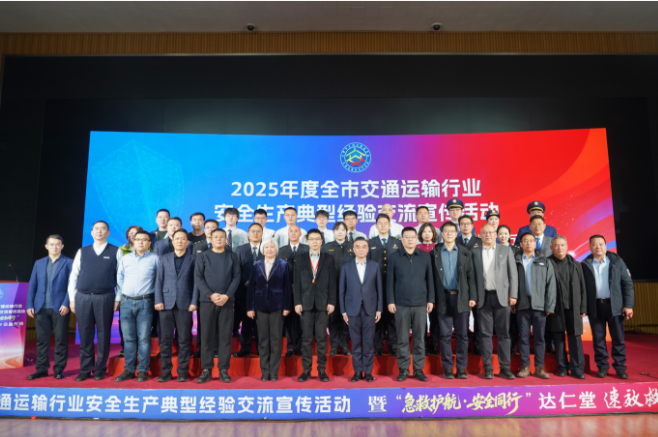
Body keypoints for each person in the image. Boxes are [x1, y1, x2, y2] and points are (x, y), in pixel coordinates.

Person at [68, 221, 121, 381]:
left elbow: (120, 277)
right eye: (96, 229)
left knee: (104, 335)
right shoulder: (82, 251)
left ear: (108, 233)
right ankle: (85, 369)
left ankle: (100, 369)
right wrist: (72, 299)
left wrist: (117, 298)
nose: (99, 231)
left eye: (103, 229)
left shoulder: (116, 251)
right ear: (92, 232)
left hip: (105, 297)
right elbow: (73, 276)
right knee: (85, 334)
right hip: (83, 297)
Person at [581, 235, 634, 379]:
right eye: (594, 244)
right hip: (595, 306)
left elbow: (627, 284)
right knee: (598, 339)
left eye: (600, 244)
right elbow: (582, 288)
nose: (598, 247)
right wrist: (583, 307)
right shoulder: (585, 264)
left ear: (605, 246)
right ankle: (602, 366)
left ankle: (620, 367)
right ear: (590, 247)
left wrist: (628, 305)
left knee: (618, 338)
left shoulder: (617, 262)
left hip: (615, 306)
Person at [387, 227, 435, 382]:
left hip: (420, 304)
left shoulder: (425, 257)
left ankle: (419, 370)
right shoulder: (394, 257)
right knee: (402, 339)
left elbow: (430, 280)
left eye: (412, 237)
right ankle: (403, 369)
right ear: (402, 240)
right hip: (401, 304)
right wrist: (390, 301)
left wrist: (430, 300)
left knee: (420, 339)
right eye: (406, 237)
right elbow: (389, 281)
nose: (409, 239)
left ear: (416, 239)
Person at [471, 224, 518, 380]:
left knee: (504, 334)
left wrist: (513, 295)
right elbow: (471, 277)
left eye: (491, 232)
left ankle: (505, 367)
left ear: (496, 234)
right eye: (484, 233)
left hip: (502, 298)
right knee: (485, 335)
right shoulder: (475, 252)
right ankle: (488, 368)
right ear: (480, 235)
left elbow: (513, 275)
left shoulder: (505, 250)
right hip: (483, 298)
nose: (488, 235)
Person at [195, 229, 240, 384]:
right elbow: (198, 277)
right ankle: (206, 369)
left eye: (221, 237)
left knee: (225, 336)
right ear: (211, 239)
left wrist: (227, 295)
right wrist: (210, 294)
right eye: (216, 237)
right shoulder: (203, 256)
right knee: (206, 336)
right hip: (207, 301)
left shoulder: (232, 256)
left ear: (226, 239)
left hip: (227, 301)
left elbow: (236, 277)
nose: (219, 239)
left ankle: (223, 369)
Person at [432, 222, 476, 379]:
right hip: (442, 298)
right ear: (442, 234)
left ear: (456, 234)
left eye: (452, 231)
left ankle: (462, 368)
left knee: (462, 335)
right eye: (446, 231)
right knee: (444, 335)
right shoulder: (435, 252)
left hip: (461, 298)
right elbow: (430, 278)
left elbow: (471, 276)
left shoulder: (465, 252)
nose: (449, 233)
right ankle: (448, 368)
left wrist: (472, 297)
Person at [114, 230, 159, 382]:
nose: (140, 242)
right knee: (128, 338)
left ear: (149, 243)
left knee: (144, 338)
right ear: (133, 241)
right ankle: (129, 369)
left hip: (146, 301)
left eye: (144, 239)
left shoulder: (155, 259)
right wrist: (124, 293)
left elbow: (158, 279)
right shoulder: (125, 258)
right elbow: (120, 278)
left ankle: (143, 370)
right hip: (126, 301)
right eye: (138, 239)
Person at [26, 235, 73, 380]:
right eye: (51, 244)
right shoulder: (39, 263)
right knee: (41, 340)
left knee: (60, 340)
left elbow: (72, 286)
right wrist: (29, 304)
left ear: (62, 246)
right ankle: (41, 369)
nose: (54, 247)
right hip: (40, 307)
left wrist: (66, 303)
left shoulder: (69, 262)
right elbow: (32, 285)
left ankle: (59, 369)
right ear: (46, 246)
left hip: (60, 308)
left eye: (57, 244)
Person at [154, 229, 198, 383]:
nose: (179, 241)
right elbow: (158, 281)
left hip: (185, 304)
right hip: (165, 303)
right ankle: (166, 371)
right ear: (172, 241)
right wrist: (158, 300)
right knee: (165, 340)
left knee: (184, 339)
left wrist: (194, 302)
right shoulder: (164, 258)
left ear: (187, 242)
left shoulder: (193, 259)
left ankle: (182, 371)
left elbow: (196, 283)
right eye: (177, 239)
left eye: (183, 239)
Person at [246, 238, 292, 382]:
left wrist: (287, 306)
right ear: (263, 249)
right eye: (266, 247)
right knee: (263, 340)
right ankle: (265, 372)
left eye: (272, 247)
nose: (269, 249)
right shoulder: (256, 265)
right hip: (260, 306)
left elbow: (287, 287)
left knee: (276, 340)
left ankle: (274, 372)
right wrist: (250, 307)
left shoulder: (283, 265)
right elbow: (251, 288)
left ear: (276, 249)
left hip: (277, 306)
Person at [294, 229, 336, 383]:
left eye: (317, 239)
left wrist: (331, 302)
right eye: (311, 239)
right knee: (306, 338)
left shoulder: (328, 259)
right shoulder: (300, 259)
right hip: (305, 304)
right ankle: (306, 370)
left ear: (321, 241)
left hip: (323, 303)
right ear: (307, 241)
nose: (314, 241)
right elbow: (296, 282)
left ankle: (321, 370)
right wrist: (297, 302)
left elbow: (332, 282)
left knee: (321, 338)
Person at [513, 232, 556, 379]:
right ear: (520, 244)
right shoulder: (515, 260)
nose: (529, 243)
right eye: (525, 241)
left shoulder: (545, 261)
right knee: (523, 337)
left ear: (535, 243)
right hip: (522, 304)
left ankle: (539, 367)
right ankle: (525, 366)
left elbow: (551, 285)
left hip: (540, 305)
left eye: (531, 240)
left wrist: (550, 306)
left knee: (539, 338)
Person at [340, 237, 382, 382]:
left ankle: (368, 372)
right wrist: (343, 311)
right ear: (353, 249)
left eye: (364, 246)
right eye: (358, 246)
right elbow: (342, 291)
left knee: (369, 342)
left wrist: (379, 309)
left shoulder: (375, 266)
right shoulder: (346, 267)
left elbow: (379, 289)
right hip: (352, 310)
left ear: (368, 249)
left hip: (370, 309)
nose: (361, 249)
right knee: (356, 342)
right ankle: (357, 371)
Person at [547, 236, 587, 379]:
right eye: (556, 245)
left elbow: (582, 286)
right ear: (551, 248)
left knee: (575, 337)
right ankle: (562, 367)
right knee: (558, 338)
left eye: (562, 245)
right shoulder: (547, 263)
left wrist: (583, 307)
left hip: (573, 307)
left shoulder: (575, 265)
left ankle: (577, 369)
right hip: (555, 307)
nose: (559, 248)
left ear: (567, 246)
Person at [368, 214, 400, 356]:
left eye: (385, 223)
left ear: (389, 225)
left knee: (392, 316)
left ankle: (393, 345)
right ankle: (378, 346)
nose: (382, 225)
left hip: (394, 284)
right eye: (379, 223)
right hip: (375, 284)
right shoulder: (370, 243)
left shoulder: (397, 242)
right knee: (377, 315)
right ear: (376, 226)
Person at [322, 221, 354, 357]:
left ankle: (345, 345)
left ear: (346, 232)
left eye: (342, 230)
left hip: (349, 287)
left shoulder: (353, 246)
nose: (340, 232)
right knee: (333, 316)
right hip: (332, 287)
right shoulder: (326, 248)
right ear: (333, 232)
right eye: (337, 230)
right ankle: (334, 345)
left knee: (346, 317)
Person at [233, 223, 264, 357]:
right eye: (253, 231)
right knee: (246, 321)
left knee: (261, 321)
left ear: (262, 234)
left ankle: (261, 348)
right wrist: (246, 281)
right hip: (244, 290)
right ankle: (245, 347)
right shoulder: (241, 249)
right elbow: (236, 268)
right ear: (248, 234)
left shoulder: (267, 247)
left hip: (263, 291)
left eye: (258, 231)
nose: (255, 234)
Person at [278, 224, 309, 357]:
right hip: (287, 290)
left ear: (300, 234)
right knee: (289, 319)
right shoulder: (281, 250)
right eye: (291, 231)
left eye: (296, 231)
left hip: (304, 290)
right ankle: (290, 346)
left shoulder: (307, 249)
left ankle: (301, 346)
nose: (294, 233)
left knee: (303, 318)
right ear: (288, 234)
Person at [498, 224, 521, 356]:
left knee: (512, 322)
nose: (503, 236)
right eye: (500, 233)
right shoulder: (493, 249)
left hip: (511, 289)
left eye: (505, 233)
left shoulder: (516, 250)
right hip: (497, 290)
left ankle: (512, 348)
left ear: (510, 235)